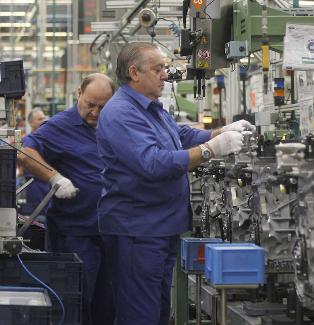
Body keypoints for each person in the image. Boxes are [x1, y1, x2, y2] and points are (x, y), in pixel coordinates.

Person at [96, 42, 255, 325]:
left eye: (165, 68)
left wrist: (220, 131)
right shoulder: (121, 112)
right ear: (134, 72)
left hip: (160, 226)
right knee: (140, 314)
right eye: (158, 69)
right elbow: (152, 163)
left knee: (157, 310)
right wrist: (211, 150)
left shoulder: (150, 108)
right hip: (137, 230)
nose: (165, 75)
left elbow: (179, 135)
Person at [18, 73, 116, 325]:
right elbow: (25, 151)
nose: (95, 111)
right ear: (78, 94)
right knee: (76, 305)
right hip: (75, 234)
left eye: (102, 106)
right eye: (90, 104)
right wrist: (54, 178)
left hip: (111, 232)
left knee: (107, 306)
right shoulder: (60, 126)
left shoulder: (114, 126)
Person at [19, 108, 50, 217]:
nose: (44, 120)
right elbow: (20, 168)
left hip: (49, 186)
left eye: (44, 118)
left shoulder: (50, 140)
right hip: (33, 187)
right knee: (35, 220)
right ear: (31, 122)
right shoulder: (25, 141)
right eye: (40, 119)